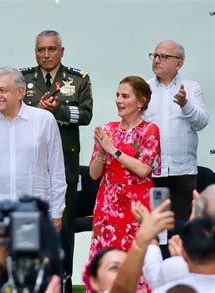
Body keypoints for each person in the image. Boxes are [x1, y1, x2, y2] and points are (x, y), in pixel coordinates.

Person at [20, 30, 93, 290]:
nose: (46, 54)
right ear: (35, 52)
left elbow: (85, 115)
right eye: (41, 50)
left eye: (52, 49)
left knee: (64, 230)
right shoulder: (23, 79)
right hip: (31, 169)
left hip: (65, 167)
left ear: (62, 51)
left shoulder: (78, 79)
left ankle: (63, 281)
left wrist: (58, 110)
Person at [0, 66, 67, 250]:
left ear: (21, 92)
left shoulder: (44, 121)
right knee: (0, 277)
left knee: (32, 276)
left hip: (35, 217)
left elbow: (57, 170)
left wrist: (57, 212)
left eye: (2, 90)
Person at [88, 76, 161, 291]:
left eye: (125, 96)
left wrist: (112, 150)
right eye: (117, 95)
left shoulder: (150, 130)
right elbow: (94, 174)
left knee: (136, 259)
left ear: (141, 102)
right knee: (107, 261)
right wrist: (101, 152)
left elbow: (144, 169)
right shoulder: (107, 130)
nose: (119, 100)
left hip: (136, 208)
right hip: (107, 209)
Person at [144, 40, 210, 221]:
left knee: (180, 228)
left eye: (163, 56)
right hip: (151, 171)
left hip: (183, 171)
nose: (156, 60)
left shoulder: (191, 88)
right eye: (155, 55)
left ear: (178, 63)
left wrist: (185, 104)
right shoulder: (143, 88)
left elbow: (202, 122)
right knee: (155, 227)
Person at [83, 200, 174, 293]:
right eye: (115, 268)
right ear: (94, 281)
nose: (125, 274)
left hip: (144, 200)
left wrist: (149, 235)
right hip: (111, 201)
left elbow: (155, 276)